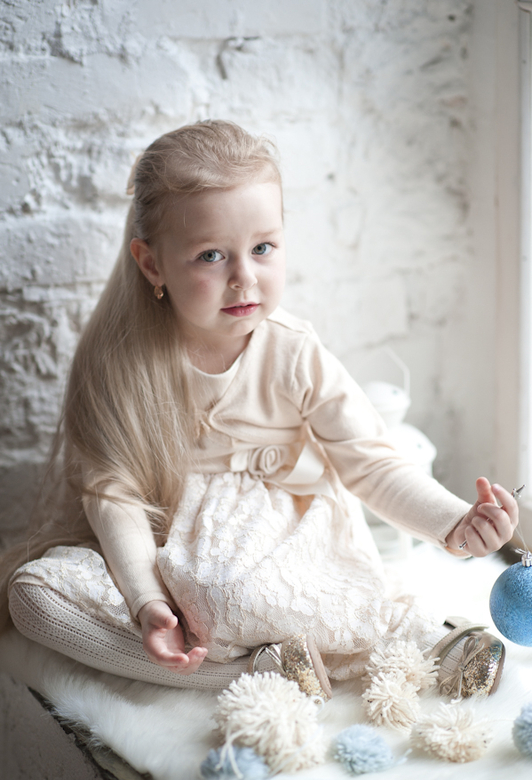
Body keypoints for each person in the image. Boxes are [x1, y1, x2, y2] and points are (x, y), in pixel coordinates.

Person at [1, 120, 518, 699]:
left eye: (263, 248)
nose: (243, 278)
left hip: (278, 533)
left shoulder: (292, 352)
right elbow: (112, 494)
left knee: (226, 593)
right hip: (162, 541)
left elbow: (372, 464)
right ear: (152, 264)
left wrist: (455, 521)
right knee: (34, 599)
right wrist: (147, 601)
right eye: (210, 255)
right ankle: (260, 666)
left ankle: (420, 637)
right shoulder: (119, 360)